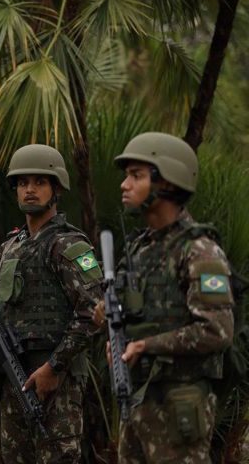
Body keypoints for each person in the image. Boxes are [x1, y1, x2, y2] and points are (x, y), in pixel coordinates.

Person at [0, 144, 103, 463]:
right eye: (23, 183)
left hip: (57, 380)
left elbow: (93, 313)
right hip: (14, 375)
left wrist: (54, 366)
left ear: (56, 189)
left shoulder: (70, 243)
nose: (30, 190)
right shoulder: (10, 247)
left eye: (39, 182)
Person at [106, 132, 234, 463]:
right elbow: (129, 312)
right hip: (136, 403)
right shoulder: (140, 248)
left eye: (136, 176)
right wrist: (113, 332)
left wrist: (146, 346)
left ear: (167, 183)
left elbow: (216, 330)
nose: (124, 184)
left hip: (180, 408)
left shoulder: (199, 251)